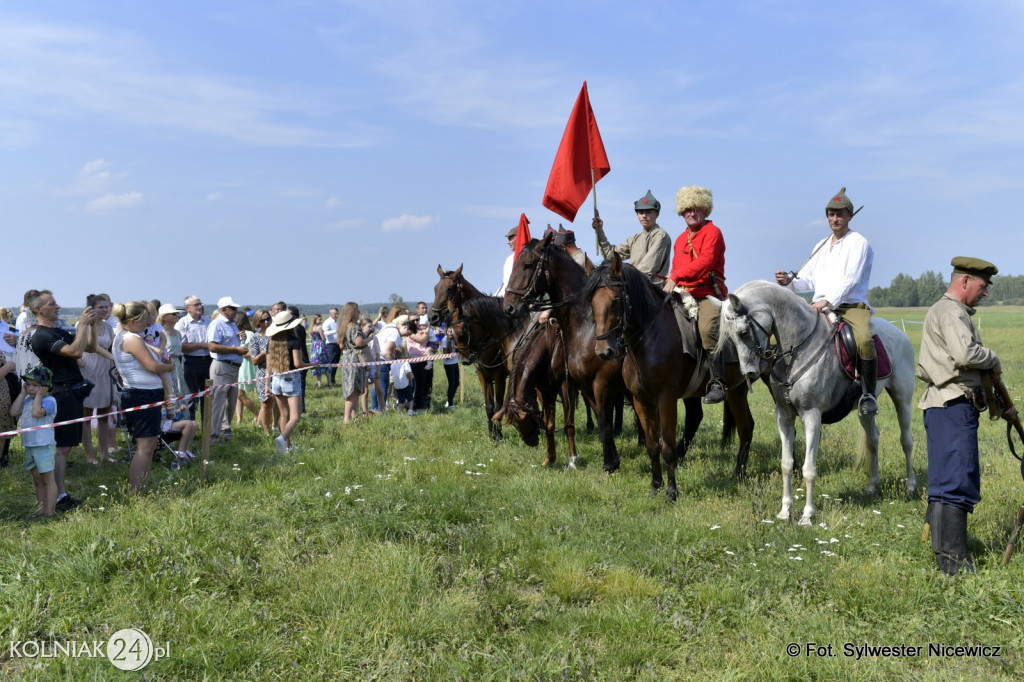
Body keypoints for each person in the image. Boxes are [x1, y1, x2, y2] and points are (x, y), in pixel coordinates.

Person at [917, 257, 1012, 575]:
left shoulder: (948, 311)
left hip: (948, 405)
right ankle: (954, 566)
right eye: (983, 286)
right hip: (953, 405)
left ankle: (946, 559)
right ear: (965, 281)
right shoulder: (951, 311)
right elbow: (966, 354)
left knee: (948, 482)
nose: (985, 293)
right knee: (955, 482)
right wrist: (994, 356)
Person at [774, 187, 877, 415]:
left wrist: (828, 301)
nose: (835, 218)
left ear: (850, 215)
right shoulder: (820, 245)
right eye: (831, 214)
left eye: (840, 214)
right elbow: (807, 279)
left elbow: (851, 280)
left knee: (864, 339)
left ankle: (868, 395)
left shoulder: (859, 243)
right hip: (817, 306)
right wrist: (788, 283)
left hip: (850, 307)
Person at [29, 290, 95, 511]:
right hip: (60, 393)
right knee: (60, 449)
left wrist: (88, 326)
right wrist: (82, 324)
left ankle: (58, 494)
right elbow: (75, 352)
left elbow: (86, 347)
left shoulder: (57, 331)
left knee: (65, 448)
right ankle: (58, 496)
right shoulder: (42, 335)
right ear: (39, 309)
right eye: (52, 303)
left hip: (70, 392)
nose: (57, 306)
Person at [663, 185, 729, 404]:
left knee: (707, 329)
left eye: (697, 209)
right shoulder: (680, 239)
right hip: (684, 294)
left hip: (707, 293)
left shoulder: (713, 232)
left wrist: (677, 276)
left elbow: (705, 262)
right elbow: (676, 268)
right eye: (688, 209)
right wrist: (671, 280)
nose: (692, 213)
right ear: (682, 212)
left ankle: (719, 382)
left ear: (705, 210)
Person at [112, 301, 174, 494]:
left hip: (145, 393)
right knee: (145, 447)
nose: (147, 323)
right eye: (143, 319)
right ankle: (136, 490)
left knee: (149, 445)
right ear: (132, 320)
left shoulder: (130, 336)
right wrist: (170, 367)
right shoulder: (131, 339)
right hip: (142, 394)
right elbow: (152, 367)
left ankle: (142, 488)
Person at [592, 190, 672, 284]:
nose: (644, 216)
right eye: (641, 212)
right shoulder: (634, 239)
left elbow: (647, 267)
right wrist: (600, 230)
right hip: (632, 284)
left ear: (657, 214)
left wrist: (622, 276)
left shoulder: (661, 236)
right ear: (637, 214)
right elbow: (610, 256)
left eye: (648, 212)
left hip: (652, 289)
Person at [10, 366, 58, 516]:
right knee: (37, 479)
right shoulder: (28, 400)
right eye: (28, 384)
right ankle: (40, 510)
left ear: (45, 387)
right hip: (30, 445)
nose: (30, 388)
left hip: (44, 446)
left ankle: (50, 512)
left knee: (48, 479)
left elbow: (37, 413)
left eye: (35, 385)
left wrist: (39, 396)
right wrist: (23, 393)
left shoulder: (49, 401)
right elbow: (13, 411)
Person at [265, 310, 315, 454]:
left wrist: (267, 386)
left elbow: (268, 367)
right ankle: (282, 438)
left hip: (276, 380)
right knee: (295, 417)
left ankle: (287, 446)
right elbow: (298, 363)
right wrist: (311, 365)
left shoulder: (272, 342)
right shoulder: (294, 341)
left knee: (284, 414)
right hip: (291, 380)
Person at [80, 293, 116, 465]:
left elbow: (112, 346)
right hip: (89, 368)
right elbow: (92, 347)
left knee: (104, 412)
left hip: (105, 370)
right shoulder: (85, 325)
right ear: (92, 309)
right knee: (86, 414)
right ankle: (89, 455)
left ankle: (104, 453)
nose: (104, 309)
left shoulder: (108, 327)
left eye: (106, 306)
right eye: (100, 307)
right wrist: (114, 359)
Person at [207, 296, 248, 442]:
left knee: (231, 402)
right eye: (233, 308)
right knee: (218, 403)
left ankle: (225, 432)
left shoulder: (231, 324)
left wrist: (240, 337)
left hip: (233, 367)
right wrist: (236, 349)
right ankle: (212, 436)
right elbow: (212, 346)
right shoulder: (216, 324)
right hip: (222, 366)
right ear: (224, 309)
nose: (236, 311)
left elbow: (229, 341)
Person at [175, 296, 211, 420]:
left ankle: (207, 429)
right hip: (191, 362)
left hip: (207, 361)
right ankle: (191, 427)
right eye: (196, 305)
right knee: (191, 396)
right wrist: (203, 345)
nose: (199, 307)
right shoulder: (182, 323)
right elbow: (182, 347)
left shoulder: (208, 321)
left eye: (200, 304)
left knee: (207, 396)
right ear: (187, 308)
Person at [338, 303, 368, 424]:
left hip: (347, 358)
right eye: (356, 310)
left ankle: (355, 417)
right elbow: (359, 342)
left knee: (352, 388)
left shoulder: (344, 326)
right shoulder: (354, 326)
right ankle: (347, 418)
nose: (359, 312)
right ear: (351, 312)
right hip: (355, 359)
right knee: (353, 390)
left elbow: (340, 345)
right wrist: (369, 339)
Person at [158, 303, 189, 416]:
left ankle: (183, 419)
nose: (177, 315)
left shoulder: (178, 333)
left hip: (177, 365)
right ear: (165, 317)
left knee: (180, 389)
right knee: (170, 391)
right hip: (165, 365)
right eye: (174, 314)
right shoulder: (160, 334)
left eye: (177, 314)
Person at [249, 309, 275, 436]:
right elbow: (254, 360)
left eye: (268, 319)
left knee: (278, 402)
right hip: (263, 372)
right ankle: (266, 432)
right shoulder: (255, 337)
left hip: (278, 371)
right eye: (263, 320)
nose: (266, 322)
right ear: (258, 322)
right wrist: (265, 353)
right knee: (266, 403)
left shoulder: (276, 334)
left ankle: (276, 426)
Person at [235, 312, 261, 424]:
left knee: (240, 394)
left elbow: (251, 352)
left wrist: (237, 352)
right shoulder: (237, 333)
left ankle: (257, 414)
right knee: (238, 395)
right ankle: (239, 419)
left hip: (245, 367)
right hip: (238, 366)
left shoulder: (250, 334)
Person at [390, 346, 415, 413]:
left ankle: (401, 412)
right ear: (404, 354)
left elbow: (391, 373)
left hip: (397, 385)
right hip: (405, 384)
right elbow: (408, 372)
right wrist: (411, 380)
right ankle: (410, 410)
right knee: (410, 398)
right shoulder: (405, 363)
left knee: (401, 400)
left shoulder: (393, 364)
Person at [495, 227, 518, 297]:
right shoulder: (509, 259)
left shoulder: (527, 258)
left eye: (510, 238)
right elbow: (505, 284)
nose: (508, 242)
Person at [309, 314, 329, 389]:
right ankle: (329, 382)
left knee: (316, 365)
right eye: (319, 319)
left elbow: (311, 339)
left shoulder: (311, 328)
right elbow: (323, 338)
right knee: (326, 364)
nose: (321, 321)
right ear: (315, 320)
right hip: (320, 346)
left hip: (313, 346)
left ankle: (319, 384)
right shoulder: (319, 328)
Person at [322, 308, 341, 387]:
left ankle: (333, 379)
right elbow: (325, 332)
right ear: (330, 314)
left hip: (337, 344)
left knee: (336, 363)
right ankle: (330, 380)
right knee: (331, 362)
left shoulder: (338, 322)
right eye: (335, 314)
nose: (336, 315)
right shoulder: (327, 322)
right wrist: (335, 331)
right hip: (330, 344)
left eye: (337, 313)